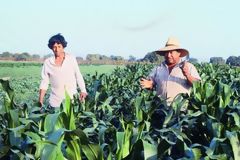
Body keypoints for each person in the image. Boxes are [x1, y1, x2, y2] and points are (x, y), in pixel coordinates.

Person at [140, 37, 201, 104]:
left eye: (171, 52)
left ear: (179, 53)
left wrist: (187, 75)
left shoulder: (189, 67)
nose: (168, 55)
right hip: (161, 109)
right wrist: (150, 85)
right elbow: (151, 83)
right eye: (166, 52)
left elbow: (198, 86)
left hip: (180, 110)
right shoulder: (158, 68)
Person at [39, 33, 87, 109]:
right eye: (54, 47)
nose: (57, 49)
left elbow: (78, 75)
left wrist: (83, 90)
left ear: (63, 47)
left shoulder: (71, 59)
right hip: (55, 103)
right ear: (51, 48)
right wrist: (40, 101)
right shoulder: (48, 62)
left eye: (59, 46)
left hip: (72, 101)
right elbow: (44, 82)